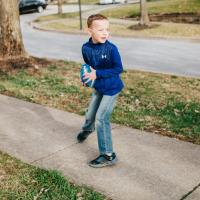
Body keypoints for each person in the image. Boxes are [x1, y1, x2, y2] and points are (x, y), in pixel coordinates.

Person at [77, 14, 124, 168]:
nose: (105, 33)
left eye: (107, 29)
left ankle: (108, 155)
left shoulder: (111, 49)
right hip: (98, 87)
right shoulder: (86, 48)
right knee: (90, 115)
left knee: (101, 119)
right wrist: (87, 78)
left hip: (111, 88)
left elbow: (118, 68)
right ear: (89, 31)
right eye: (100, 29)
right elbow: (88, 66)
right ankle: (87, 129)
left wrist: (97, 74)